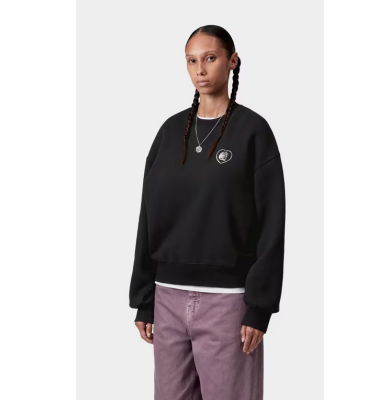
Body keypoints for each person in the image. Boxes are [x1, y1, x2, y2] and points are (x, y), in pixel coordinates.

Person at [129, 24, 286, 400]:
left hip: (228, 302)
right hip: (167, 298)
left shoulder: (253, 131)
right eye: (191, 61)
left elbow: (271, 223)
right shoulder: (169, 133)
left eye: (210, 58)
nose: (200, 69)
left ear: (232, 61)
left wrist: (259, 307)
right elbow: (148, 216)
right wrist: (144, 298)